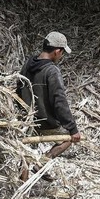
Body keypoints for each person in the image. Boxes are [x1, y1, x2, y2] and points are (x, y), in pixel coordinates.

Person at [16, 31, 82, 163]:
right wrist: (72, 129)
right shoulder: (51, 71)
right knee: (67, 139)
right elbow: (59, 101)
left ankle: (24, 177)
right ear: (57, 51)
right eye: (62, 52)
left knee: (25, 152)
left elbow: (18, 89)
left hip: (25, 119)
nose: (61, 56)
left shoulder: (28, 64)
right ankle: (43, 162)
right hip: (45, 122)